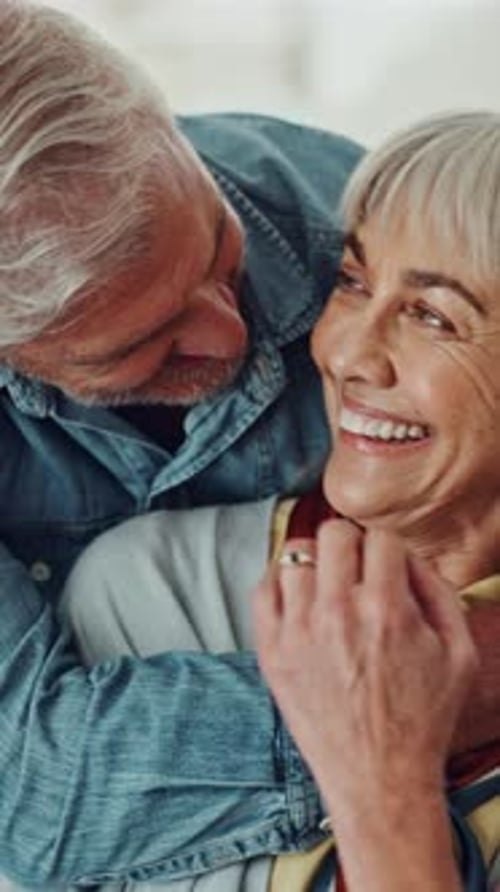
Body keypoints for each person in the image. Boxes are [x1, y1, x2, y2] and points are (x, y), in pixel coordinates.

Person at [61, 111, 500, 892]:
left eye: (433, 315)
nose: (349, 353)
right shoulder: (157, 589)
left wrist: (384, 792)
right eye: (354, 282)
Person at [0, 1, 367, 887]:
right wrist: (397, 708)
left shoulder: (356, 227)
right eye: (144, 344)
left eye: (217, 248)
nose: (231, 335)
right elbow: (35, 798)